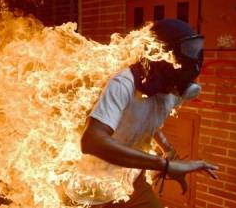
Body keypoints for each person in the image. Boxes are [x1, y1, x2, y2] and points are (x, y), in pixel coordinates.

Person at [65, 19, 218, 208]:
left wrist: (169, 152)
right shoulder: (124, 84)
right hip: (93, 190)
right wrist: (164, 165)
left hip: (132, 183)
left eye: (196, 48)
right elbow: (92, 141)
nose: (195, 58)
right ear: (160, 53)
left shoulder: (172, 91)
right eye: (189, 49)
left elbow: (147, 122)